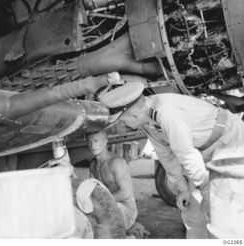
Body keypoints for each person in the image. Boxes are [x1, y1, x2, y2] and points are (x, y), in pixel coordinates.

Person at [99, 79, 244, 238]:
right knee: (191, 210)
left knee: (222, 209)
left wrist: (207, 192)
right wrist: (182, 189)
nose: (122, 125)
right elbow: (166, 156)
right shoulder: (147, 118)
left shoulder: (166, 113)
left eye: (121, 120)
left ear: (133, 114)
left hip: (229, 139)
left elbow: (186, 154)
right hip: (202, 150)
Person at [85, 130, 148, 238]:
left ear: (105, 142)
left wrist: (102, 204)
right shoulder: (93, 165)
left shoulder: (116, 162)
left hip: (126, 209)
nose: (93, 145)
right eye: (89, 141)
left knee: (103, 230)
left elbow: (126, 193)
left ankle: (131, 239)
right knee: (86, 220)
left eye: (96, 141)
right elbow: (91, 190)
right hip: (107, 205)